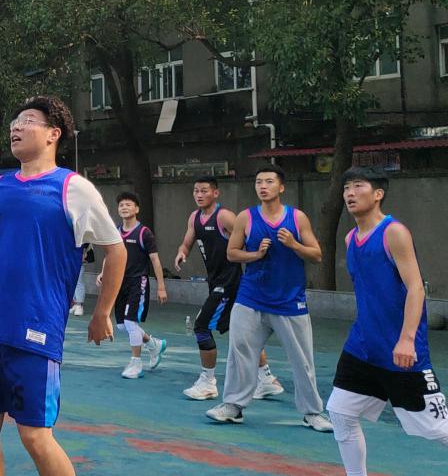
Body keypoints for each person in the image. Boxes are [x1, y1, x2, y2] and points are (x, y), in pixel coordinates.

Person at [0, 95, 126, 476]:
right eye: (15, 121)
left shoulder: (73, 188)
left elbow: (116, 250)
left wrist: (103, 313)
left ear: (52, 134)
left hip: (34, 330)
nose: (16, 127)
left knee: (35, 436)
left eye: (27, 120)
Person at [327, 167, 448, 475]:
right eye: (346, 188)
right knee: (340, 412)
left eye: (358, 186)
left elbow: (416, 288)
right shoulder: (351, 238)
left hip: (401, 350)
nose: (350, 193)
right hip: (362, 347)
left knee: (438, 430)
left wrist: (406, 339)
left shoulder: (394, 233)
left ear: (378, 194)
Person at [206, 165, 333, 431]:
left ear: (281, 187)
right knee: (240, 353)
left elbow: (317, 255)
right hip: (251, 298)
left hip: (289, 301)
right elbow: (232, 253)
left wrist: (294, 244)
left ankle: (312, 412)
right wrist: (256, 255)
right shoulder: (246, 217)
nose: (262, 186)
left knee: (302, 360)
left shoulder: (297, 218)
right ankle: (233, 406)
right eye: (258, 181)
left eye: (269, 181)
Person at [175, 176, 283, 400]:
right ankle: (267, 379)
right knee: (242, 332)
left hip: (229, 282)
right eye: (196, 191)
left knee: (201, 326)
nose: (199, 195)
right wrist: (182, 253)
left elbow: (249, 236)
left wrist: (258, 256)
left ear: (215, 193)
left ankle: (208, 382)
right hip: (215, 282)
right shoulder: (195, 218)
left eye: (204, 190)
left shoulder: (224, 216)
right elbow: (187, 242)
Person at [109, 192, 167, 379]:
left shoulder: (144, 233)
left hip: (138, 282)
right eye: (121, 205)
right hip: (120, 282)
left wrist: (161, 286)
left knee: (130, 322)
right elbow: (111, 255)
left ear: (136, 209)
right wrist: (103, 273)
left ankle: (136, 364)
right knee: (122, 326)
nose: (124, 207)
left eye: (128, 204)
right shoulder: (116, 231)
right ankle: (153, 344)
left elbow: (155, 260)